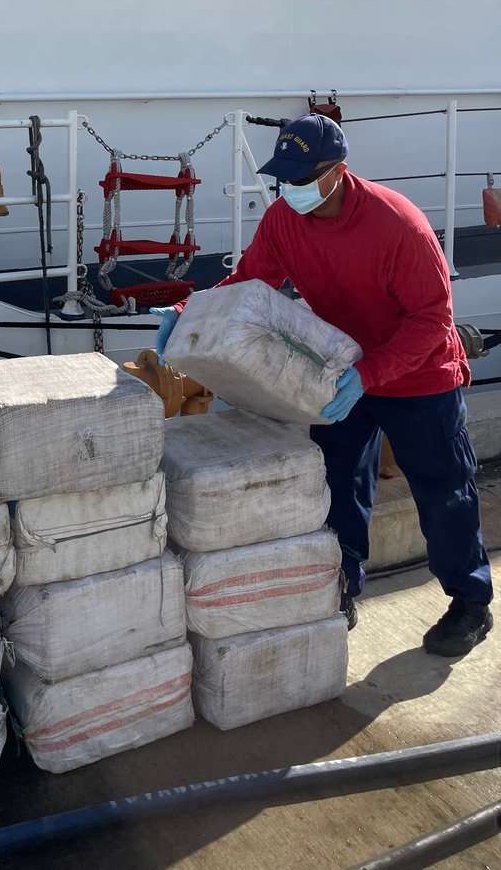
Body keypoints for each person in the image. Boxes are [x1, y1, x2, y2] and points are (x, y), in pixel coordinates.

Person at [153, 113, 493, 657]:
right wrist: (185, 308)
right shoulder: (285, 219)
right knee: (337, 483)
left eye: (300, 177)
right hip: (338, 371)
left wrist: (371, 375)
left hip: (419, 373)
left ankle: (470, 602)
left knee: (443, 488)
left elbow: (432, 321)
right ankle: (343, 584)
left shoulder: (397, 225)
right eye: (282, 177)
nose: (289, 189)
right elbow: (247, 282)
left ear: (336, 171)